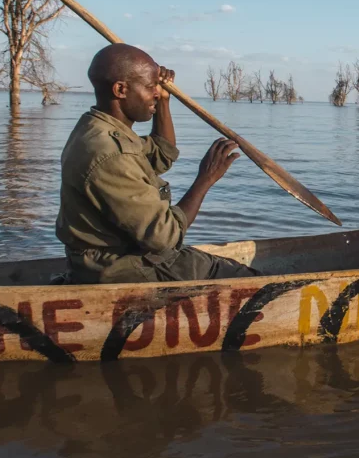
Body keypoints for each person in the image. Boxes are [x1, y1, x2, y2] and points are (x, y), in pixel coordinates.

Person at [56, 43, 259, 283]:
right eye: (151, 87)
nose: (156, 92)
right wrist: (205, 179)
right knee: (241, 278)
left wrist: (163, 100)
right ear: (121, 89)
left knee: (212, 263)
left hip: (120, 257)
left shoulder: (99, 129)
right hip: (120, 267)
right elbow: (166, 236)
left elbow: (162, 154)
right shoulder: (111, 153)